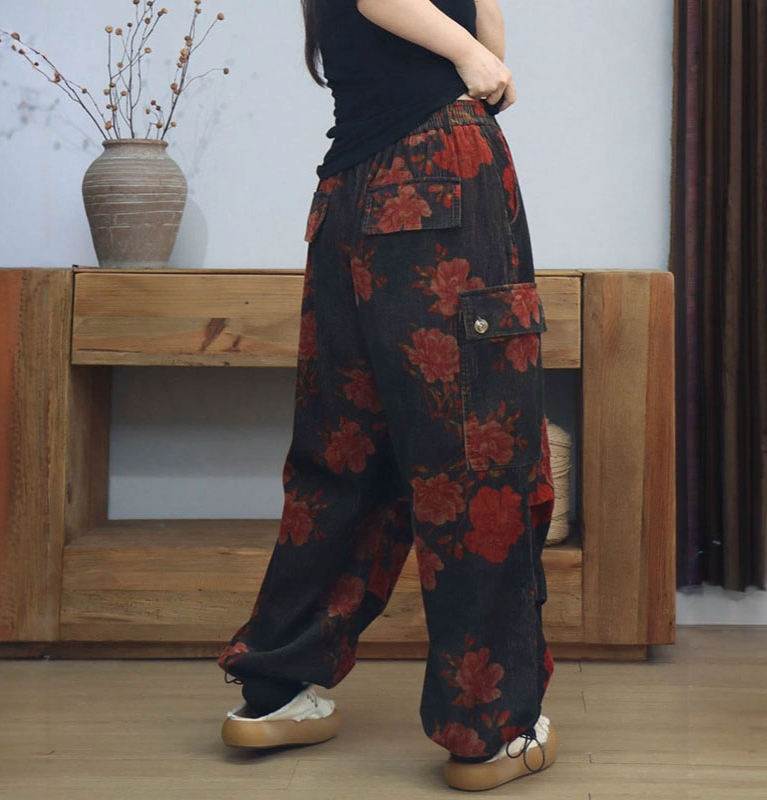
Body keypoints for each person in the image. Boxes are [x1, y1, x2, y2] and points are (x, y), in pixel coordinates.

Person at [216, 0, 558, 791]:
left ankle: (278, 686)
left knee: (343, 451)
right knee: (475, 454)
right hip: (440, 175)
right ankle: (491, 729)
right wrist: (466, 55)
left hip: (350, 194)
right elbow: (485, 69)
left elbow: (495, 65)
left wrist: (477, 53)